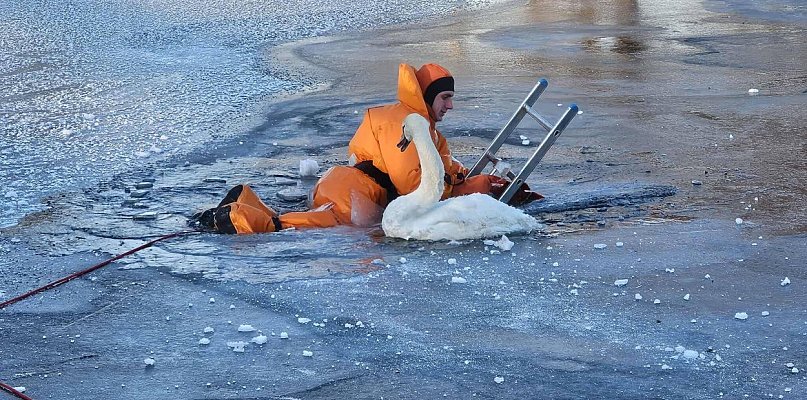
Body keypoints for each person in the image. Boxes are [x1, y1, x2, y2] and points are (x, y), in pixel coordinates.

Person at [190, 63, 540, 234]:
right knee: (305, 225)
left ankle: (247, 198)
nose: (450, 106)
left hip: (344, 182)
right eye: (446, 97)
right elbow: (415, 187)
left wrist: (465, 177)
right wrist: (473, 190)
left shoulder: (414, 122)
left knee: (319, 214)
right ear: (430, 96)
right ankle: (239, 217)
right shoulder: (407, 123)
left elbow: (441, 164)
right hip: (356, 195)